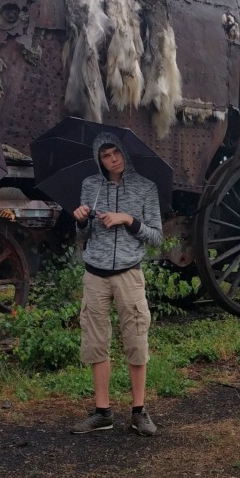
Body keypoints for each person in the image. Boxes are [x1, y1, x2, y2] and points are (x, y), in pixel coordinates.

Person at [70, 133, 163, 437]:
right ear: (100, 160)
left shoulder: (146, 188)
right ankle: (102, 412)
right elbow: (82, 237)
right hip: (95, 274)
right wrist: (82, 220)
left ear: (125, 153)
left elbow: (157, 237)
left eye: (117, 153)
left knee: (136, 339)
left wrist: (128, 219)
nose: (113, 160)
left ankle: (139, 411)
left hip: (128, 273)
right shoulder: (90, 186)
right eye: (106, 156)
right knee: (96, 341)